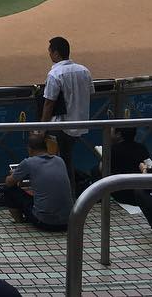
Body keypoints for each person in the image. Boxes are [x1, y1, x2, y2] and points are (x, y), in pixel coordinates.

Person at [41, 36, 93, 190]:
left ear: (56, 53)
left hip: (60, 126)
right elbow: (90, 92)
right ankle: (68, 196)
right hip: (79, 123)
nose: (49, 54)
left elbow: (49, 103)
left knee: (57, 163)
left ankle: (65, 196)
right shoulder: (84, 70)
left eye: (50, 51)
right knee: (65, 160)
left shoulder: (55, 74)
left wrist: (42, 128)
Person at [2, 132, 71, 231]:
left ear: (30, 149)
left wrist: (14, 174)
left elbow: (9, 182)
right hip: (68, 222)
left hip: (45, 222)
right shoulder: (59, 160)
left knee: (9, 189)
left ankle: (19, 221)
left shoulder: (28, 162)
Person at [103, 126, 150, 205]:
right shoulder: (142, 148)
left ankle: (101, 198)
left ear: (118, 134)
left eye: (111, 131)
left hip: (120, 194)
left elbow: (102, 169)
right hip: (139, 193)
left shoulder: (112, 150)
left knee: (95, 171)